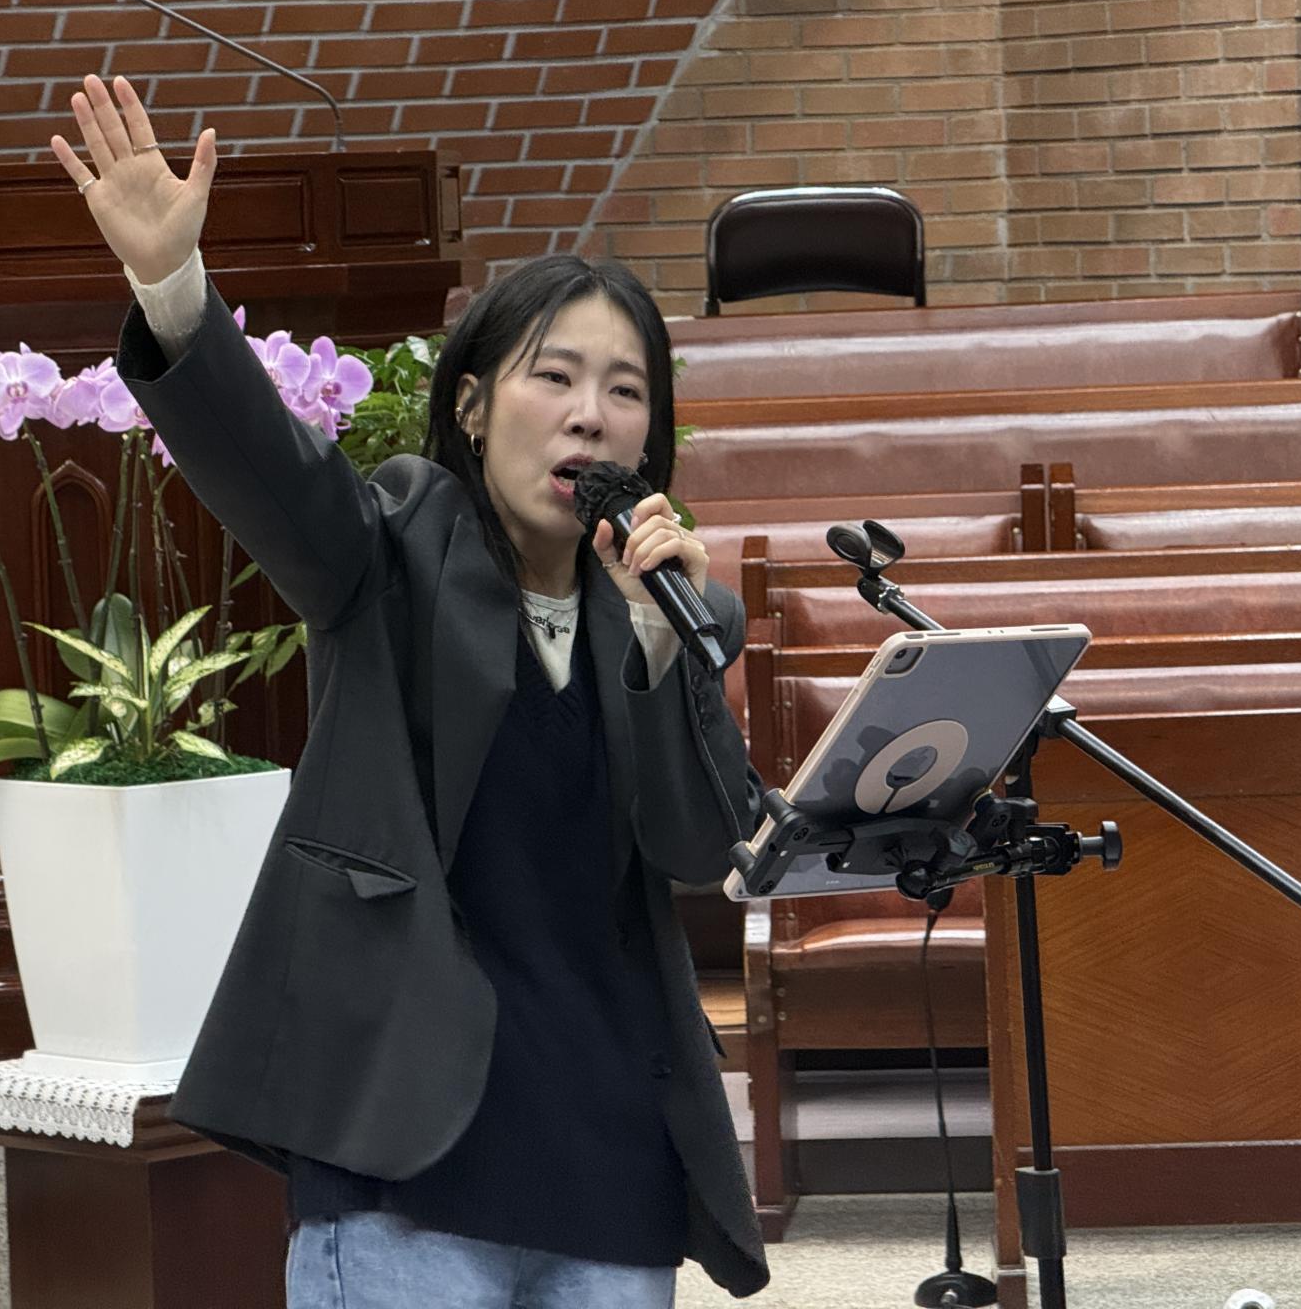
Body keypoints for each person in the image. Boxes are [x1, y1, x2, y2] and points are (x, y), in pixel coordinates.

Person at [52, 74, 769, 1307]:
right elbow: (276, 478)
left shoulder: (667, 616)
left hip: (609, 1164)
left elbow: (704, 846)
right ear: (475, 406)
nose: (590, 418)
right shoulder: (392, 551)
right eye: (555, 378)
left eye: (626, 390)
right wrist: (172, 288)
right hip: (410, 1157)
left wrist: (664, 644)